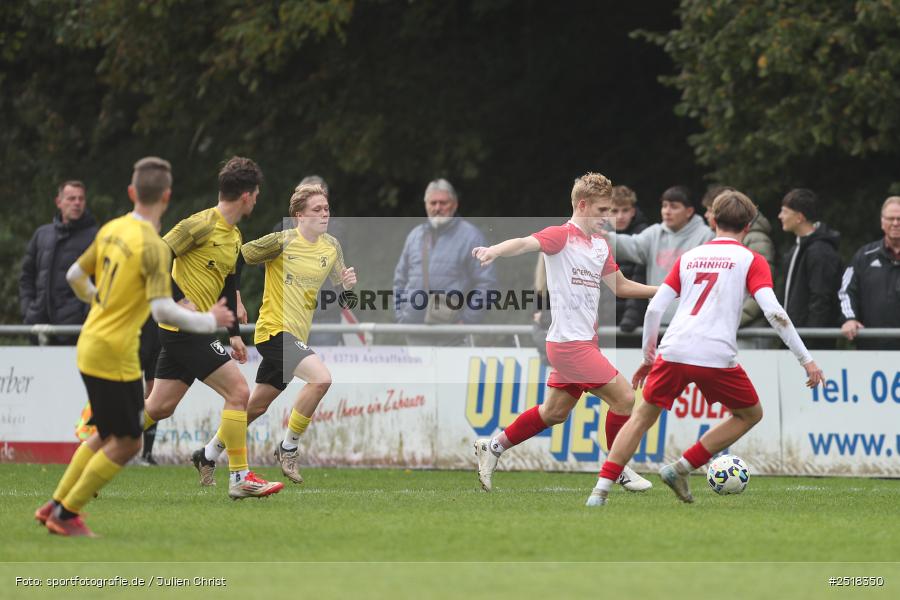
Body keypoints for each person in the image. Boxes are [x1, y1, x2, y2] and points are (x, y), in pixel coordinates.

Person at [34, 157, 235, 536]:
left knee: (110, 436)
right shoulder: (153, 248)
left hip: (90, 342)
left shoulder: (112, 228)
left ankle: (56, 505)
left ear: (131, 192)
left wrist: (99, 302)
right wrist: (212, 322)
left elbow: (73, 275)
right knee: (127, 444)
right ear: (167, 196)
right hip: (114, 352)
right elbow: (164, 309)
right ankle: (66, 512)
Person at [587, 190, 824, 507]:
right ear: (749, 223)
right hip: (715, 354)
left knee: (641, 418)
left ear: (712, 220)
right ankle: (682, 466)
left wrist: (648, 356)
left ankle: (599, 492)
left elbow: (655, 309)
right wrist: (806, 361)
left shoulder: (689, 257)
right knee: (749, 414)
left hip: (673, 349)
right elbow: (775, 313)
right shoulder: (752, 260)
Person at [472, 172, 658, 494]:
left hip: (582, 342)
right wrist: (495, 251)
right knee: (625, 398)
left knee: (554, 413)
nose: (608, 217)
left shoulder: (600, 246)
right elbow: (524, 243)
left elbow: (622, 287)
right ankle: (619, 468)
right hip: (569, 345)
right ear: (583, 205)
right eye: (602, 211)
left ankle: (494, 447)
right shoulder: (562, 235)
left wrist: (664, 290)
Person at [194, 183, 356, 485]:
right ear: (298, 216)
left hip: (296, 335)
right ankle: (288, 447)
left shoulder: (331, 246)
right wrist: (237, 298)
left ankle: (207, 454)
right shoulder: (281, 241)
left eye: (326, 209)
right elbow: (236, 257)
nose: (324, 214)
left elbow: (343, 299)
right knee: (321, 378)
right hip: (273, 331)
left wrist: (347, 287)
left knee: (255, 408)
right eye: (316, 210)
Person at [143, 156, 283, 499]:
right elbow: (157, 254)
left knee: (160, 407)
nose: (257, 199)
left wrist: (233, 333)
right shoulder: (200, 224)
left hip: (196, 329)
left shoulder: (234, 236)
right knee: (238, 393)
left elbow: (228, 285)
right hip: (183, 328)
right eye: (257, 194)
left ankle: (99, 443)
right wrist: (176, 298)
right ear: (248, 195)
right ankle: (240, 477)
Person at [393, 179, 497, 346]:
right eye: (433, 203)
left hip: (453, 333)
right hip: (414, 330)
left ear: (454, 205)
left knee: (455, 373)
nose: (437, 208)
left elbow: (487, 283)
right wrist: (402, 316)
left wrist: (467, 322)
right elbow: (399, 280)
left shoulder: (471, 237)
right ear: (426, 205)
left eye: (443, 202)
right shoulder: (414, 236)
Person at [605, 185, 714, 324]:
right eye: (664, 206)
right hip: (657, 319)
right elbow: (632, 245)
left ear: (689, 211)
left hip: (691, 321)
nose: (667, 211)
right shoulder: (654, 233)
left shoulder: (707, 236)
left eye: (674, 207)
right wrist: (603, 237)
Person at [19, 180, 98, 345]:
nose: (76, 203)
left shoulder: (96, 236)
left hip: (77, 331)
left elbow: (100, 281)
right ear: (59, 202)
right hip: (38, 325)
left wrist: (85, 316)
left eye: (81, 199)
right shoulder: (41, 234)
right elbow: (26, 276)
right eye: (71, 198)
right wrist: (28, 311)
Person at [702, 185, 775, 347]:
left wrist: (729, 320)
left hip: (747, 333)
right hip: (725, 329)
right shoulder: (709, 245)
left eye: (709, 210)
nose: (706, 215)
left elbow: (761, 295)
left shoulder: (756, 240)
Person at [777, 188, 842, 332]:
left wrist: (812, 337)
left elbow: (820, 298)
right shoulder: (796, 248)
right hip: (793, 337)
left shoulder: (820, 251)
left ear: (800, 217)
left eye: (785, 212)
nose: (780, 216)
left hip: (808, 342)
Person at [839, 196, 900, 350]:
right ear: (882, 222)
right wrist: (850, 318)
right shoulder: (864, 256)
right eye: (890, 218)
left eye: (899, 219)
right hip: (871, 352)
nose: (895, 223)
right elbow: (846, 291)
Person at [608, 185, 650, 335]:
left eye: (625, 210)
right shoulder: (595, 235)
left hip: (634, 324)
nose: (620, 216)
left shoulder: (646, 236)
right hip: (603, 321)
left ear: (632, 211)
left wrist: (630, 320)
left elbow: (640, 279)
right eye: (614, 211)